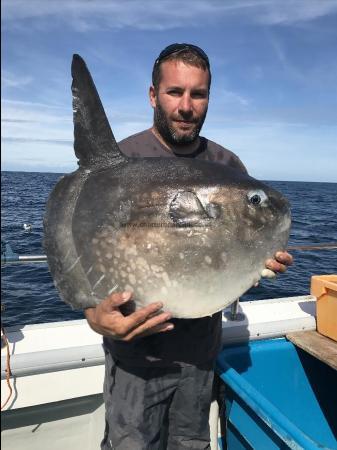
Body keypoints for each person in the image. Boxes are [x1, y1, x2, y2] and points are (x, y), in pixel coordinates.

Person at [84, 43, 293, 450]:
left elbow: (234, 250)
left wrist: (259, 265)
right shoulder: (121, 159)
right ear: (152, 95)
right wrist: (95, 316)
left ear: (208, 99)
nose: (186, 106)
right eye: (174, 92)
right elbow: (87, 243)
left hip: (200, 356)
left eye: (198, 94)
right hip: (135, 360)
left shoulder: (227, 165)